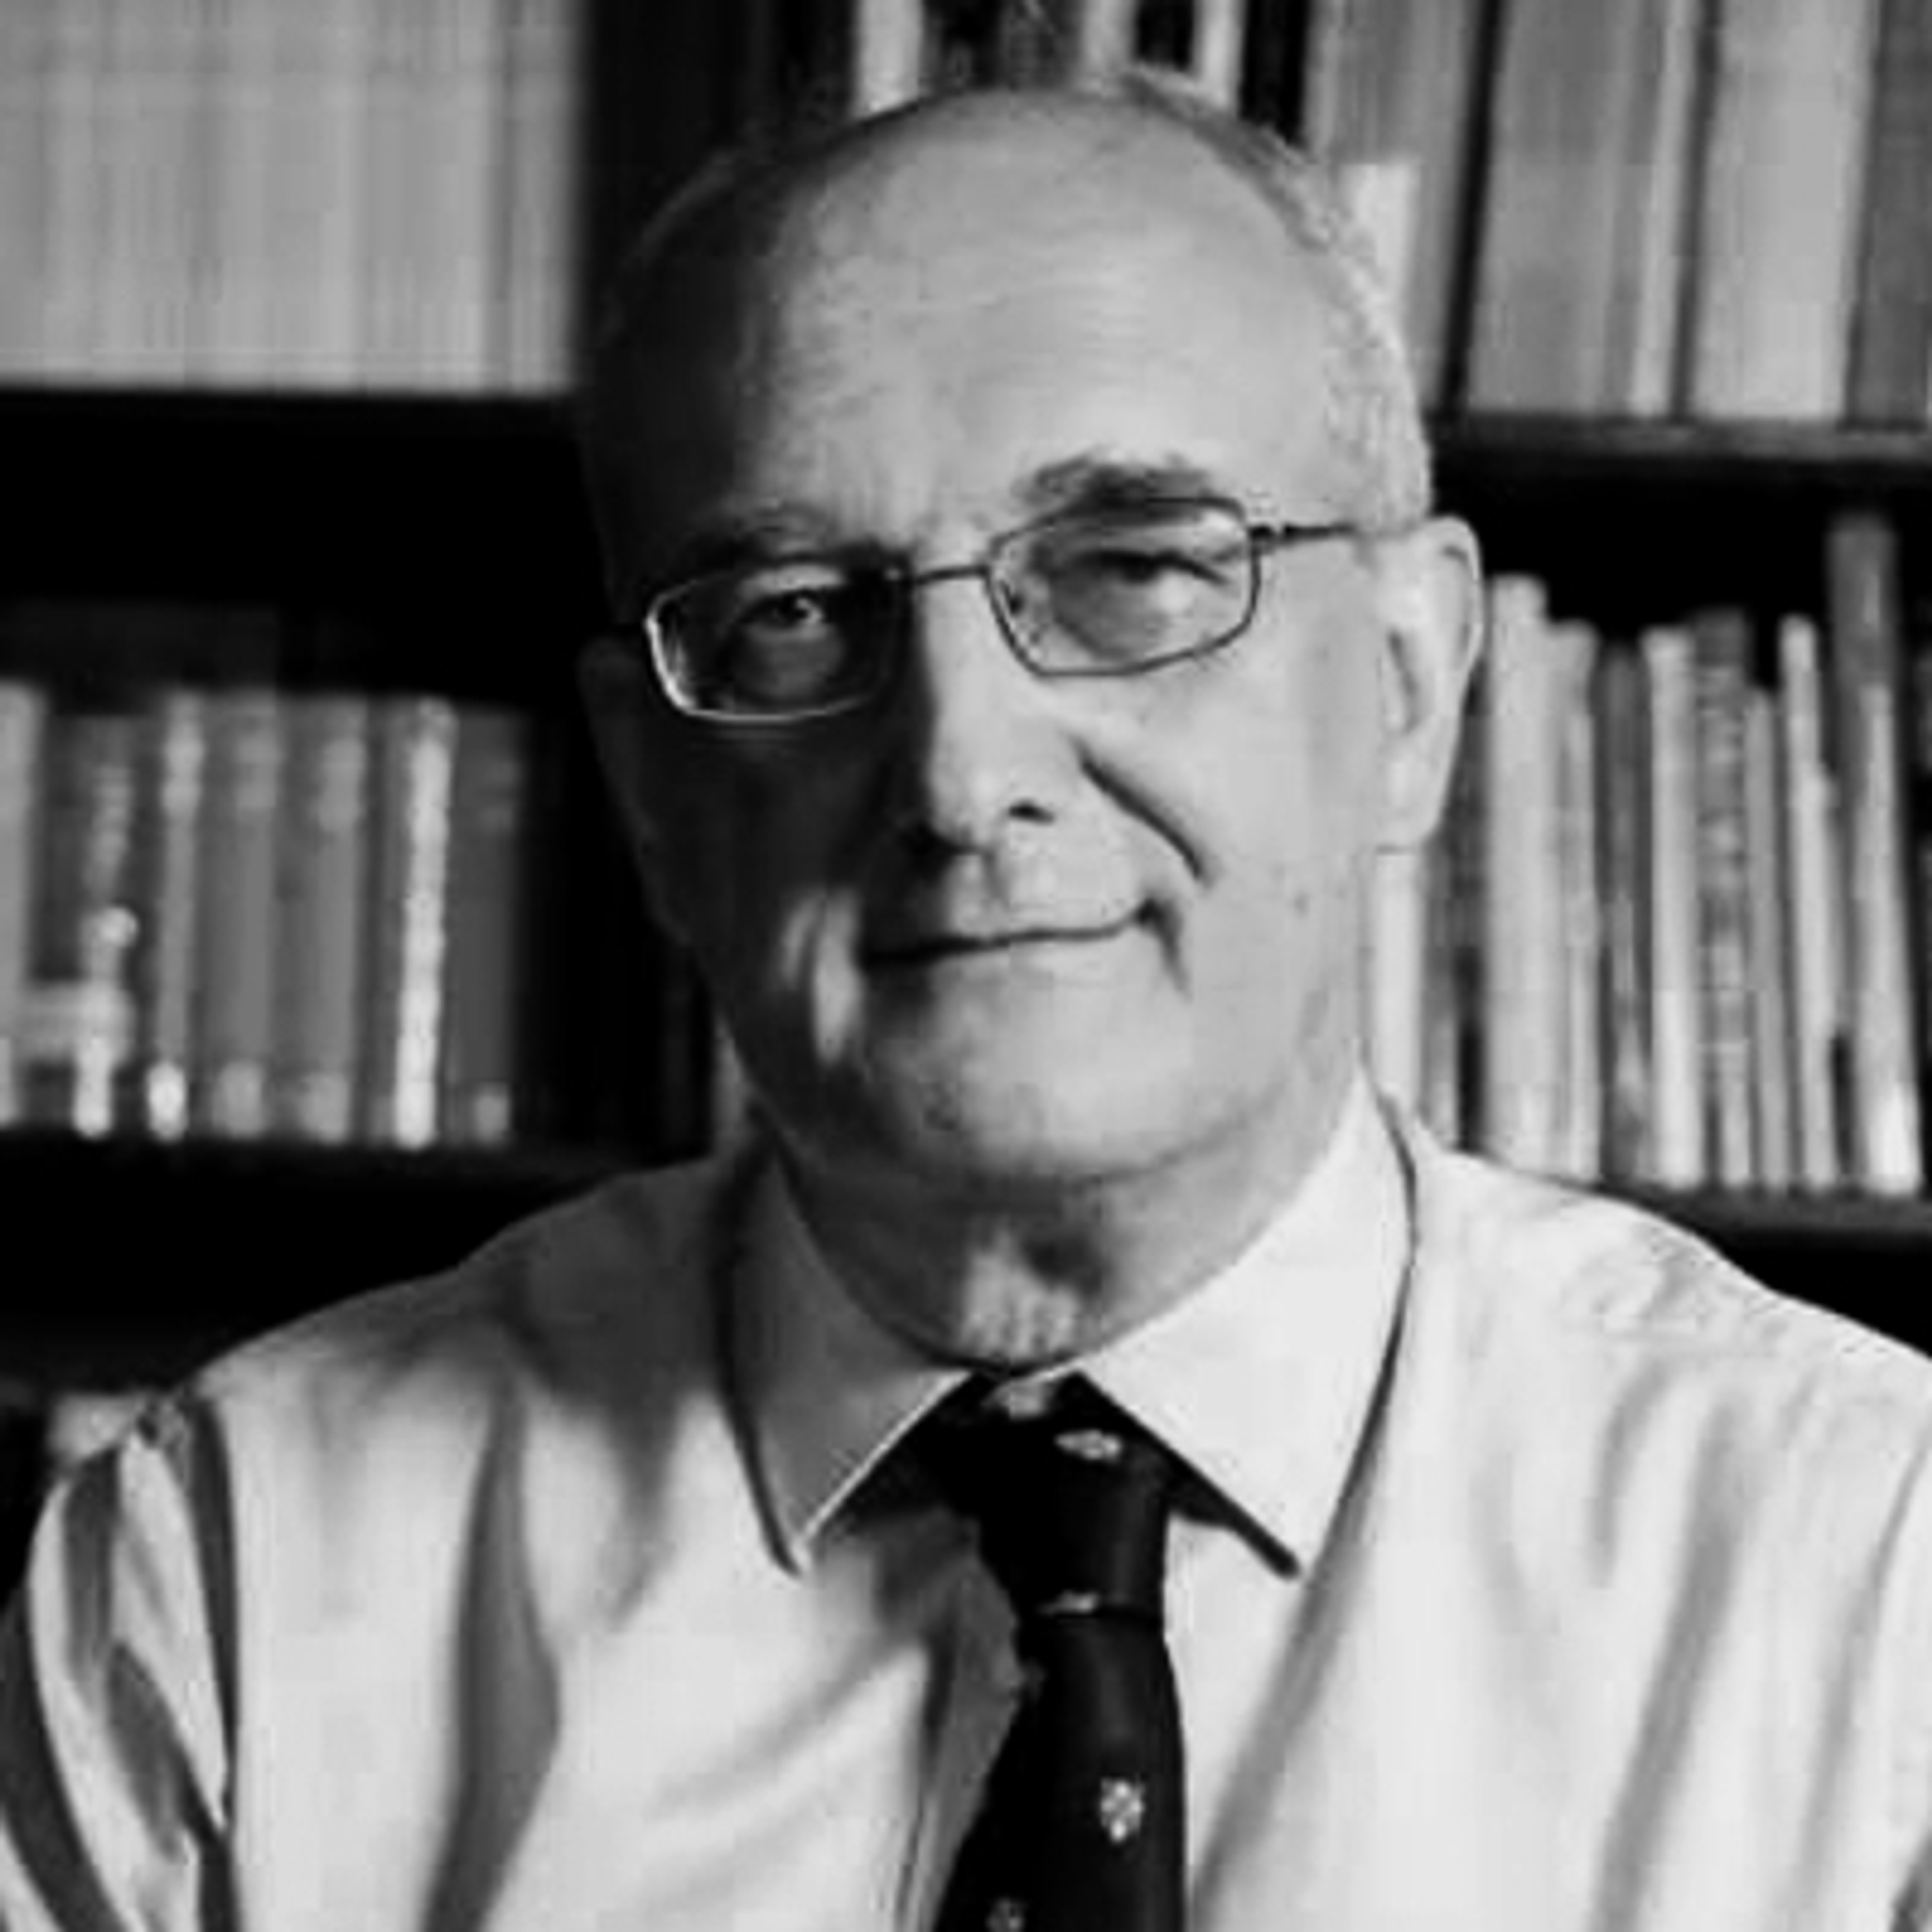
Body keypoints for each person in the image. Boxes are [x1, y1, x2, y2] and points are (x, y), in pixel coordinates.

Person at [4, 75, 1931, 1932]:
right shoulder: (229, 1582)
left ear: (1414, 686)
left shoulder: (1873, 1574)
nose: (960, 771)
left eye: (1134, 571)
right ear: (655, 792)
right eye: (793, 611)